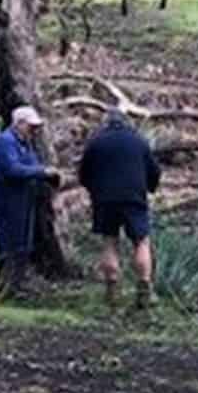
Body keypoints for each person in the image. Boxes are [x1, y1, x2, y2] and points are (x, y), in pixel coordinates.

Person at [77, 109, 162, 309]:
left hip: (104, 200)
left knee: (109, 242)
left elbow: (83, 174)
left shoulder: (96, 143)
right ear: (127, 122)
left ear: (106, 123)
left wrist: (95, 191)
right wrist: (149, 188)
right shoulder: (138, 141)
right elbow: (154, 171)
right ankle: (144, 291)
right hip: (134, 199)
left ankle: (112, 292)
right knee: (141, 242)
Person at [0, 105, 60, 296]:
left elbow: (32, 164)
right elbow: (12, 170)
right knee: (10, 244)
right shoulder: (6, 142)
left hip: (23, 199)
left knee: (23, 244)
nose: (34, 130)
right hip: (7, 201)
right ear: (19, 123)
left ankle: (16, 285)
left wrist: (45, 173)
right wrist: (41, 172)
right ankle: (6, 288)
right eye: (31, 126)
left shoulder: (24, 142)